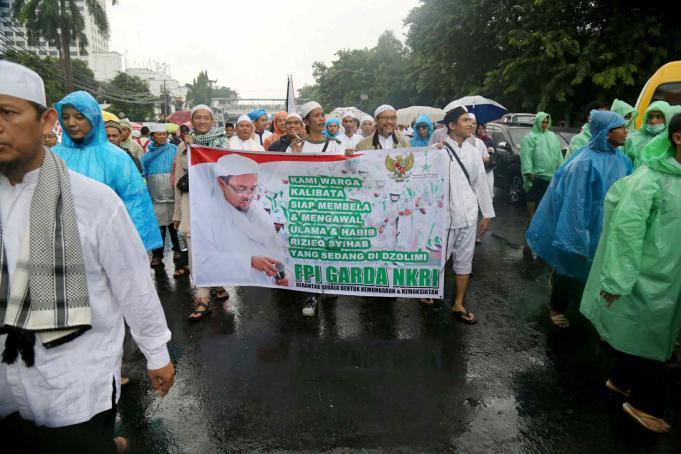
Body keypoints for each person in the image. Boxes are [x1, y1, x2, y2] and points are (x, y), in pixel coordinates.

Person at [0, 60, 174, 453]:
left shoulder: (95, 199)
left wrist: (156, 351)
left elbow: (131, 280)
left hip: (74, 381)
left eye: (8, 113)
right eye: (70, 116)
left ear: (44, 121)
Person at [579, 113, 681, 434]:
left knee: (641, 334)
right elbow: (626, 232)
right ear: (677, 137)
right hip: (649, 277)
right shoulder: (650, 178)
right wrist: (617, 280)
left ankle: (621, 381)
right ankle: (646, 405)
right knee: (650, 338)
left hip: (670, 275)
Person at [526, 110, 632, 329]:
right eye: (620, 127)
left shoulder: (623, 160)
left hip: (608, 226)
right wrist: (575, 239)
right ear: (606, 133)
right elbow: (575, 205)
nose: (626, 131)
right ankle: (557, 308)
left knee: (600, 270)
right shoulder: (584, 163)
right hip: (584, 226)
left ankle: (592, 308)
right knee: (570, 269)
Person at [52, 91, 162, 252]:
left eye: (79, 116)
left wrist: (136, 246)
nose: (71, 123)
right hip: (62, 248)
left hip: (108, 246)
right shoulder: (53, 156)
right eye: (65, 117)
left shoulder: (117, 158)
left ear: (93, 117)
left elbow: (134, 201)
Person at [426, 106, 494, 323]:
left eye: (471, 121)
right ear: (452, 126)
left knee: (465, 262)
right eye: (465, 120)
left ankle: (458, 303)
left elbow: (481, 184)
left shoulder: (474, 152)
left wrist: (487, 215)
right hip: (444, 218)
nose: (470, 124)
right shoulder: (438, 151)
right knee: (438, 259)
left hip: (469, 216)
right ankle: (428, 292)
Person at [195, 154, 289, 287]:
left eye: (252, 189)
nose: (248, 196)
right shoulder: (207, 216)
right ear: (222, 184)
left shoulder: (258, 211)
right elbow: (203, 264)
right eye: (241, 189)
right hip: (244, 289)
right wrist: (249, 262)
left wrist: (285, 274)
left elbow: (276, 247)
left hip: (270, 287)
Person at [174, 104, 229, 320]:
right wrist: (177, 214)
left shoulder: (223, 143)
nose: (202, 121)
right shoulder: (182, 146)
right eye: (198, 118)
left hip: (216, 203)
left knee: (216, 245)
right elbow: (179, 179)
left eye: (207, 118)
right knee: (195, 248)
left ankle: (218, 283)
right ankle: (202, 297)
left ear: (212, 121)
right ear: (192, 121)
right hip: (191, 203)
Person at [141, 124, 180, 269]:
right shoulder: (146, 156)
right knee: (158, 228)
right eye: (159, 134)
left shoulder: (175, 150)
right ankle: (157, 256)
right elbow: (143, 174)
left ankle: (178, 252)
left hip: (173, 195)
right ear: (152, 136)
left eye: (164, 134)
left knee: (174, 225)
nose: (163, 136)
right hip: (155, 197)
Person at [520, 112, 563, 227]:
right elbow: (526, 156)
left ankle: (543, 220)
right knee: (532, 197)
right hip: (536, 174)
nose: (544, 124)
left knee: (546, 198)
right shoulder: (530, 138)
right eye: (542, 122)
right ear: (537, 122)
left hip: (551, 175)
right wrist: (528, 171)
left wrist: (562, 169)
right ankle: (532, 217)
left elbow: (558, 154)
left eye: (546, 122)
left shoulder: (552, 136)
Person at [623, 100, 670, 166]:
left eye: (659, 117)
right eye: (650, 117)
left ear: (667, 119)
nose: (653, 121)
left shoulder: (672, 140)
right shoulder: (632, 139)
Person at [475, 122, 496, 200]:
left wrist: (488, 152)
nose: (481, 130)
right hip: (478, 168)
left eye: (482, 128)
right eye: (479, 129)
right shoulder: (474, 140)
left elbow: (494, 154)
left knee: (489, 186)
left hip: (488, 168)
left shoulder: (489, 139)